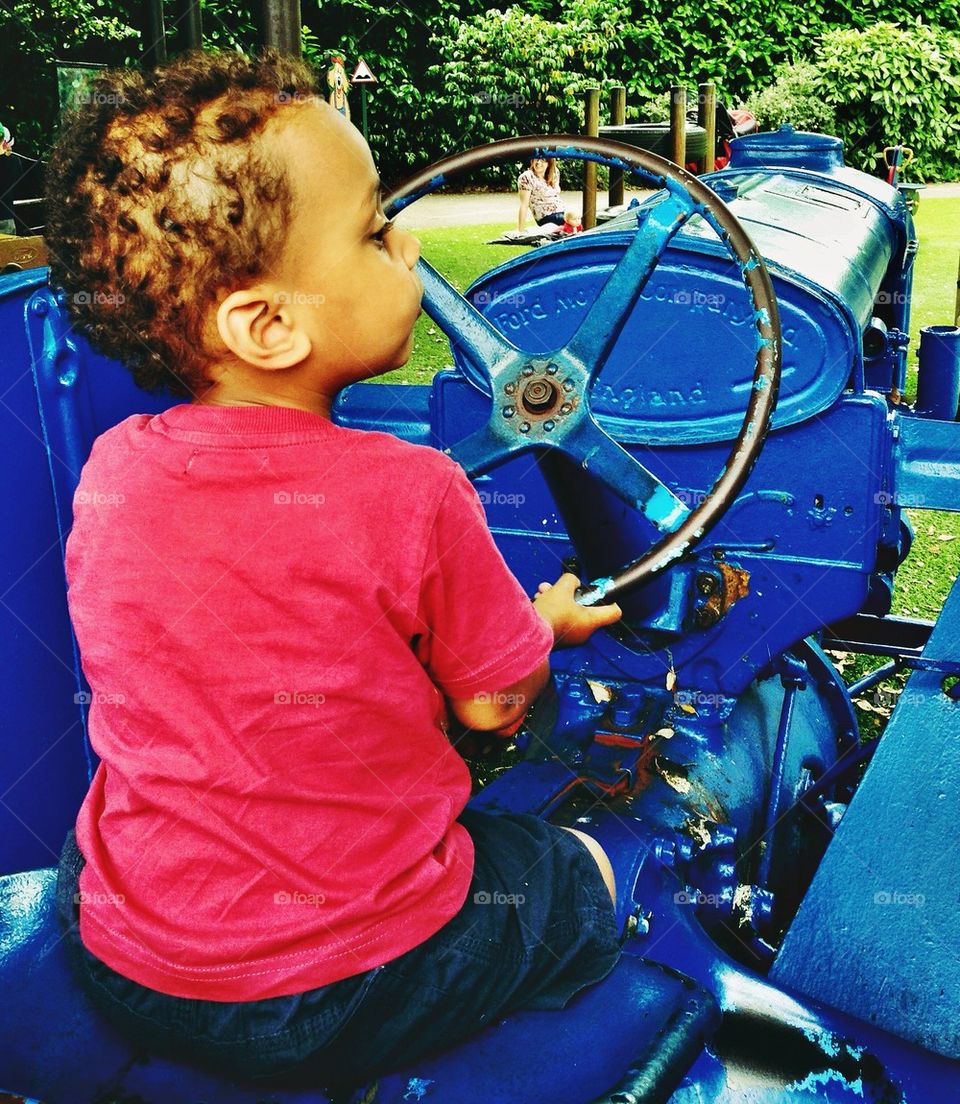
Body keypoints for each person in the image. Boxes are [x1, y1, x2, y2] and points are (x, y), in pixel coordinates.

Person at [44, 48, 624, 1092]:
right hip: (342, 989)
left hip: (127, 957)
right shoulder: (415, 490)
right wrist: (544, 633)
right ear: (269, 325)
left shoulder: (113, 472)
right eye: (372, 232)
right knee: (572, 875)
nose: (407, 246)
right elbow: (493, 705)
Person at [517, 155, 565, 231]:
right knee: (577, 224)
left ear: (549, 162)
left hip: (563, 212)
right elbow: (524, 204)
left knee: (580, 220)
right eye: (536, 159)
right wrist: (520, 231)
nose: (538, 162)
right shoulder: (526, 177)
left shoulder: (554, 173)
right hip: (547, 217)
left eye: (542, 159)